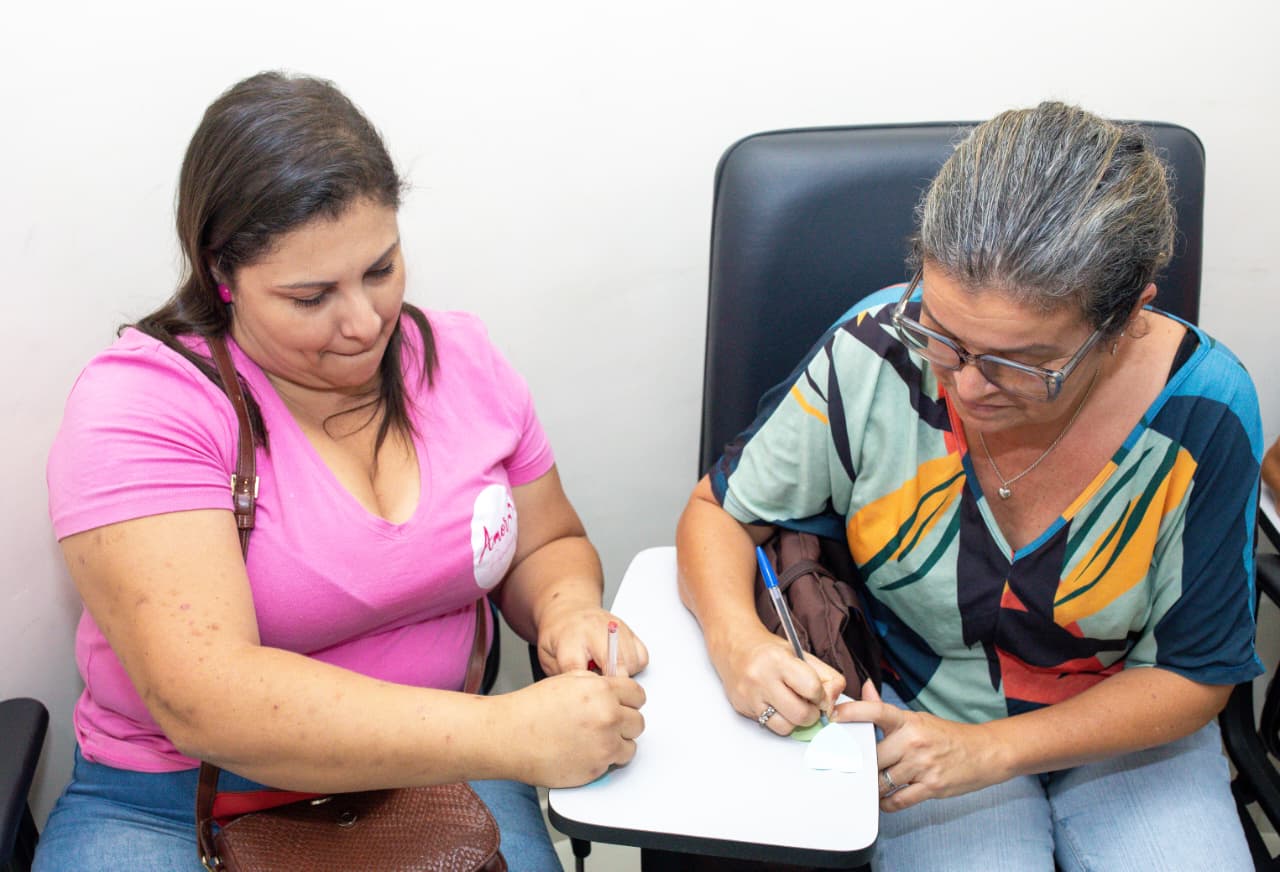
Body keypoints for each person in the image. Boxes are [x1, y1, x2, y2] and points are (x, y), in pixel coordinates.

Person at [38, 71, 647, 872]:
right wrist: (512, 733)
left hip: (437, 780)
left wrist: (568, 613)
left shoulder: (462, 360)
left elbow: (547, 543)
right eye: (311, 296)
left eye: (381, 269)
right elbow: (207, 700)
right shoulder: (142, 406)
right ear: (221, 275)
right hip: (177, 806)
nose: (364, 323)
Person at [676, 102, 1261, 871]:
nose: (969, 386)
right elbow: (718, 512)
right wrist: (739, 643)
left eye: (1022, 363)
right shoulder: (878, 349)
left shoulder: (1204, 410)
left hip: (1129, 721)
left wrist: (991, 750)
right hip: (918, 703)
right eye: (945, 337)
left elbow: (1195, 672)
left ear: (1126, 322)